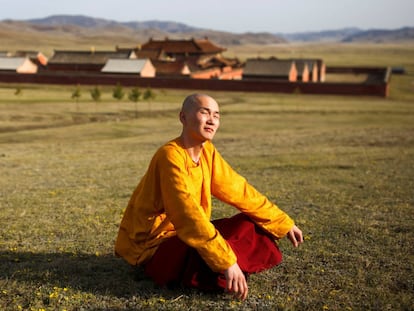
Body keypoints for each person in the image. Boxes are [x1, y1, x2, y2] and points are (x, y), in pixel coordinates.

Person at [115, 93, 303, 300]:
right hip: (157, 245)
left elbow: (239, 190)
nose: (212, 120)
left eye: (217, 115)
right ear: (183, 118)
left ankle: (225, 269)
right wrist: (226, 262)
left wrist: (283, 222)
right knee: (201, 255)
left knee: (251, 224)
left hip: (187, 233)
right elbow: (187, 214)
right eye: (204, 112)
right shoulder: (170, 155)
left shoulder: (208, 152)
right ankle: (228, 269)